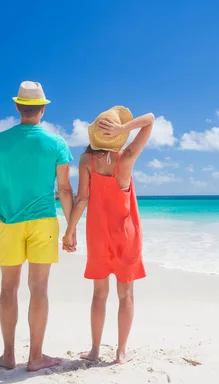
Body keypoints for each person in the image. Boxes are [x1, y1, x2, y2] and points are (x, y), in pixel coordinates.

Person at [0, 81, 74, 371]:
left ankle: (8, 356)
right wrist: (71, 228)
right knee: (39, 289)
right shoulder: (56, 143)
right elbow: (65, 190)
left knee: (8, 289)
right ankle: (36, 357)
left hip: (9, 223)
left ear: (17, 107)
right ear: (42, 109)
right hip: (44, 222)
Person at [62, 106, 154, 364]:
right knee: (126, 295)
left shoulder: (87, 161)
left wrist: (69, 231)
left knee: (99, 294)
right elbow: (150, 120)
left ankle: (94, 350)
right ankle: (121, 352)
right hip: (126, 235)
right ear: (116, 136)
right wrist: (125, 128)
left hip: (98, 234)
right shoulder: (127, 158)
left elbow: (81, 200)